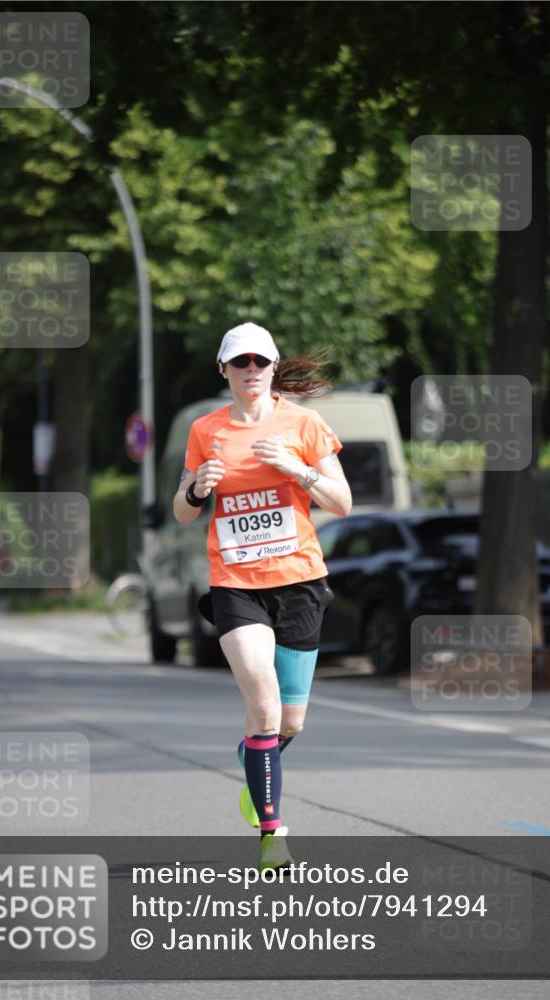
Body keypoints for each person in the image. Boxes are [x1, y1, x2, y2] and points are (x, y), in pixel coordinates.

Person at [173, 323, 352, 871]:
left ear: (274, 369)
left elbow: (342, 502)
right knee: (265, 706)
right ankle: (273, 835)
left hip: (298, 581)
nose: (251, 370)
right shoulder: (206, 430)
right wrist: (198, 486)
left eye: (260, 362)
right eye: (240, 362)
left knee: (290, 723)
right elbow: (182, 510)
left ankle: (256, 764)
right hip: (236, 585)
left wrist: (297, 469)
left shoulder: (304, 424)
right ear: (223, 370)